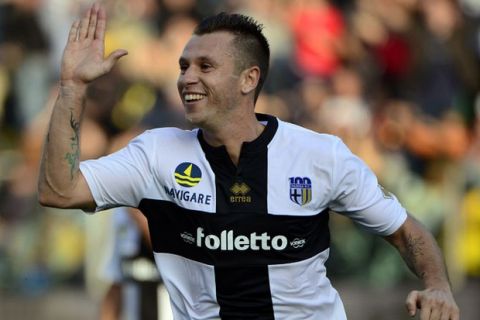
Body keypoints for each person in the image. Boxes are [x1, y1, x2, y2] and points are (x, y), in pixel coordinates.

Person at [38, 3, 459, 319]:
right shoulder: (155, 154)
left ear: (249, 78)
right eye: (184, 66)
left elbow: (406, 232)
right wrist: (72, 86)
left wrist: (438, 286)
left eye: (205, 66)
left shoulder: (319, 156)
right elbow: (58, 190)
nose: (187, 78)